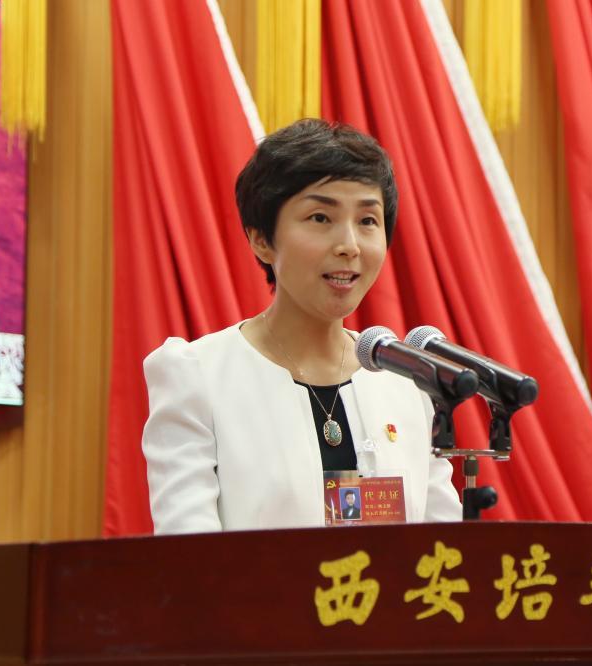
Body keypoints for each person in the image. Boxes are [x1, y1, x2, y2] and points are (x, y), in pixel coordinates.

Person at [141, 119, 462, 533]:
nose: (349, 245)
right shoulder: (198, 375)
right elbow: (188, 553)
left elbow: (443, 547)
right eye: (320, 217)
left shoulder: (406, 382)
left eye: (367, 221)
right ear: (261, 239)